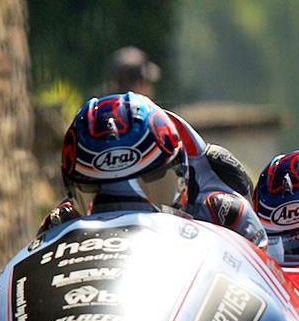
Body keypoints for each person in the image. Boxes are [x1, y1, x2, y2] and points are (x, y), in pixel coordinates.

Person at [39, 92, 268, 251]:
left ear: (183, 175)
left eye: (153, 186)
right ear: (72, 192)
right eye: (99, 198)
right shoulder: (60, 222)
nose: (124, 217)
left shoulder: (224, 213)